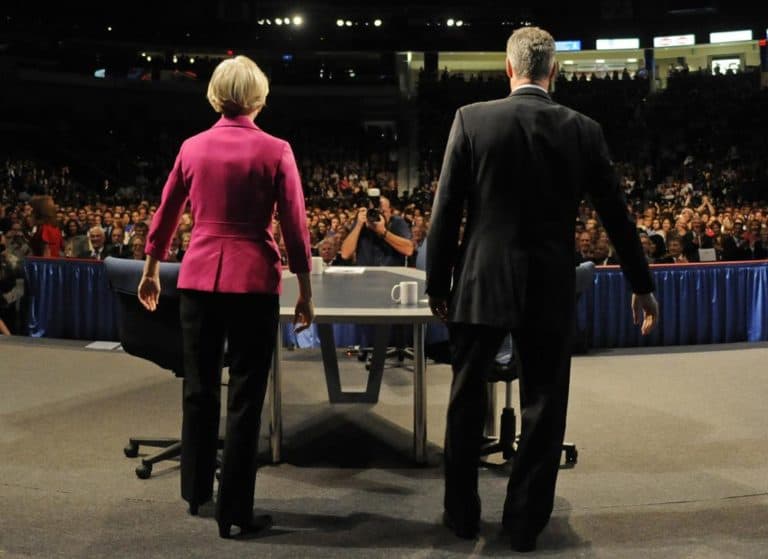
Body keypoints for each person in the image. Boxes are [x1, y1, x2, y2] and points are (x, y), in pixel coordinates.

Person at [426, 27, 659, 552]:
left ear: (508, 69)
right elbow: (617, 218)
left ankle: (461, 515)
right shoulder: (583, 129)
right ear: (554, 72)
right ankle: (524, 524)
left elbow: (446, 212)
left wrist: (437, 282)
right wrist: (641, 285)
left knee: (465, 402)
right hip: (549, 284)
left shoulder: (471, 120)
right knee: (545, 405)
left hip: (480, 282)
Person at [137, 55, 314, 539]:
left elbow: (166, 214)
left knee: (198, 389)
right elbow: (295, 228)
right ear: (259, 96)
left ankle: (196, 492)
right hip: (254, 281)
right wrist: (305, 288)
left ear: (215, 94)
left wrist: (152, 270)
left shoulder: (192, 147)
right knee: (245, 395)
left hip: (197, 279)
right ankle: (235, 510)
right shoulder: (277, 150)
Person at [339, 188, 413, 265]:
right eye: (374, 212)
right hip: (366, 274)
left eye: (383, 212)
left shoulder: (397, 222)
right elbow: (345, 254)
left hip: (391, 274)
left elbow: (409, 250)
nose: (379, 215)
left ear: (391, 212)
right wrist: (358, 225)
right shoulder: (362, 222)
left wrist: (383, 233)